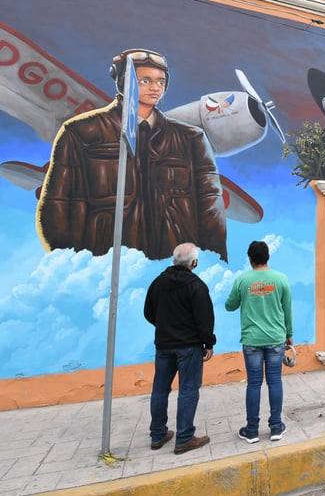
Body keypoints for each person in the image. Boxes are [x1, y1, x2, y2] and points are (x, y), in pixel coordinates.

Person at [37, 48, 228, 261]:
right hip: (104, 265)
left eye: (161, 82)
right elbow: (57, 205)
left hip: (171, 267)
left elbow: (211, 207)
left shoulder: (191, 139)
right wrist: (71, 262)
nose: (155, 88)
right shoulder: (80, 133)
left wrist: (211, 258)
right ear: (122, 82)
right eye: (145, 81)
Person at [144, 242, 215, 455]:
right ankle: (184, 437)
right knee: (188, 390)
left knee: (160, 389)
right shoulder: (197, 285)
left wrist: (164, 327)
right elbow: (205, 319)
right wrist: (208, 343)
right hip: (189, 347)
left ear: (174, 260)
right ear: (194, 262)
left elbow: (148, 312)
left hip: (164, 345)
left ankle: (158, 434)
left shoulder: (158, 283)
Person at [225, 240, 293, 444]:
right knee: (274, 381)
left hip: (252, 340)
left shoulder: (242, 280)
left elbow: (230, 306)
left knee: (254, 383)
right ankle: (275, 427)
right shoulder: (281, 279)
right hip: (276, 339)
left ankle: (252, 430)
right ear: (268, 257)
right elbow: (287, 310)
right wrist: (289, 335)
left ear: (250, 259)